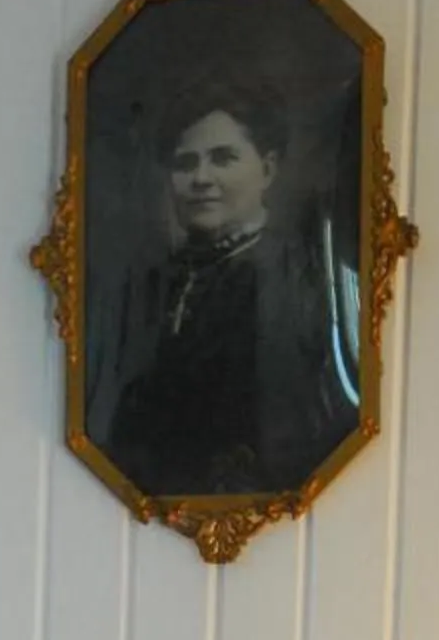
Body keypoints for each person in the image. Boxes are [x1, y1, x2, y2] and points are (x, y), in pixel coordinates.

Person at [98, 81, 360, 499]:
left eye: (223, 158)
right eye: (184, 164)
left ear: (268, 170)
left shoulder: (299, 278)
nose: (201, 178)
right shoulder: (151, 285)